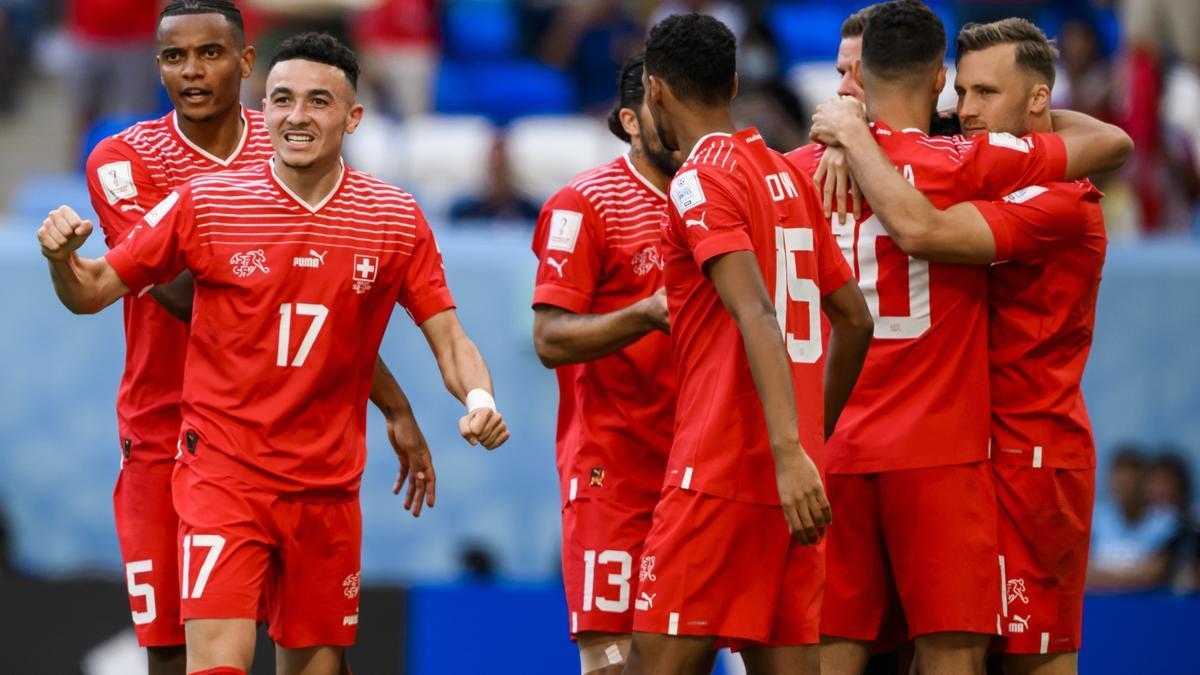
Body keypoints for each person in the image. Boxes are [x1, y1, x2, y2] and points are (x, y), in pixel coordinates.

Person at [38, 32, 509, 675]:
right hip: (224, 478)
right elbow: (93, 290)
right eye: (282, 99)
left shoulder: (395, 217)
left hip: (327, 489)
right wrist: (62, 258)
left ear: (354, 117)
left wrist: (479, 400)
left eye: (318, 101)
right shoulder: (206, 202)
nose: (296, 116)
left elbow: (449, 336)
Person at [792, 2, 1131, 673]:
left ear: (1038, 99)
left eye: (985, 93)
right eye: (960, 91)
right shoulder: (963, 165)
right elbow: (1106, 139)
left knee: (1028, 659)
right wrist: (862, 131)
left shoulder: (1059, 199)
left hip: (1027, 454)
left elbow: (924, 231)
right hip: (950, 453)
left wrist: (855, 136)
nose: (966, 110)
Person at [624, 14, 874, 675]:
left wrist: (790, 452)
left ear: (654, 92)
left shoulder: (696, 180)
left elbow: (758, 314)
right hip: (794, 487)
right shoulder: (788, 175)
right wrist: (806, 438)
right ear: (734, 81)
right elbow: (856, 319)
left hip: (718, 473)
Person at [530, 52, 676, 675]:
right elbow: (549, 338)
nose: (679, 123)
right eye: (663, 108)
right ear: (631, 120)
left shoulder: (726, 196)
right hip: (612, 469)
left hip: (707, 467)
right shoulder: (586, 203)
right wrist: (646, 313)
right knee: (614, 658)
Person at [1088, 448, 1180, 592]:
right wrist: (1132, 576)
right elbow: (1085, 573)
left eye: (1130, 483)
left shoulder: (1166, 523)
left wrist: (1106, 578)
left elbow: (1155, 574)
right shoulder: (1096, 519)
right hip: (1101, 607)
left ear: (1144, 483)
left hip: (1149, 609)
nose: (1124, 489)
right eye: (1119, 482)